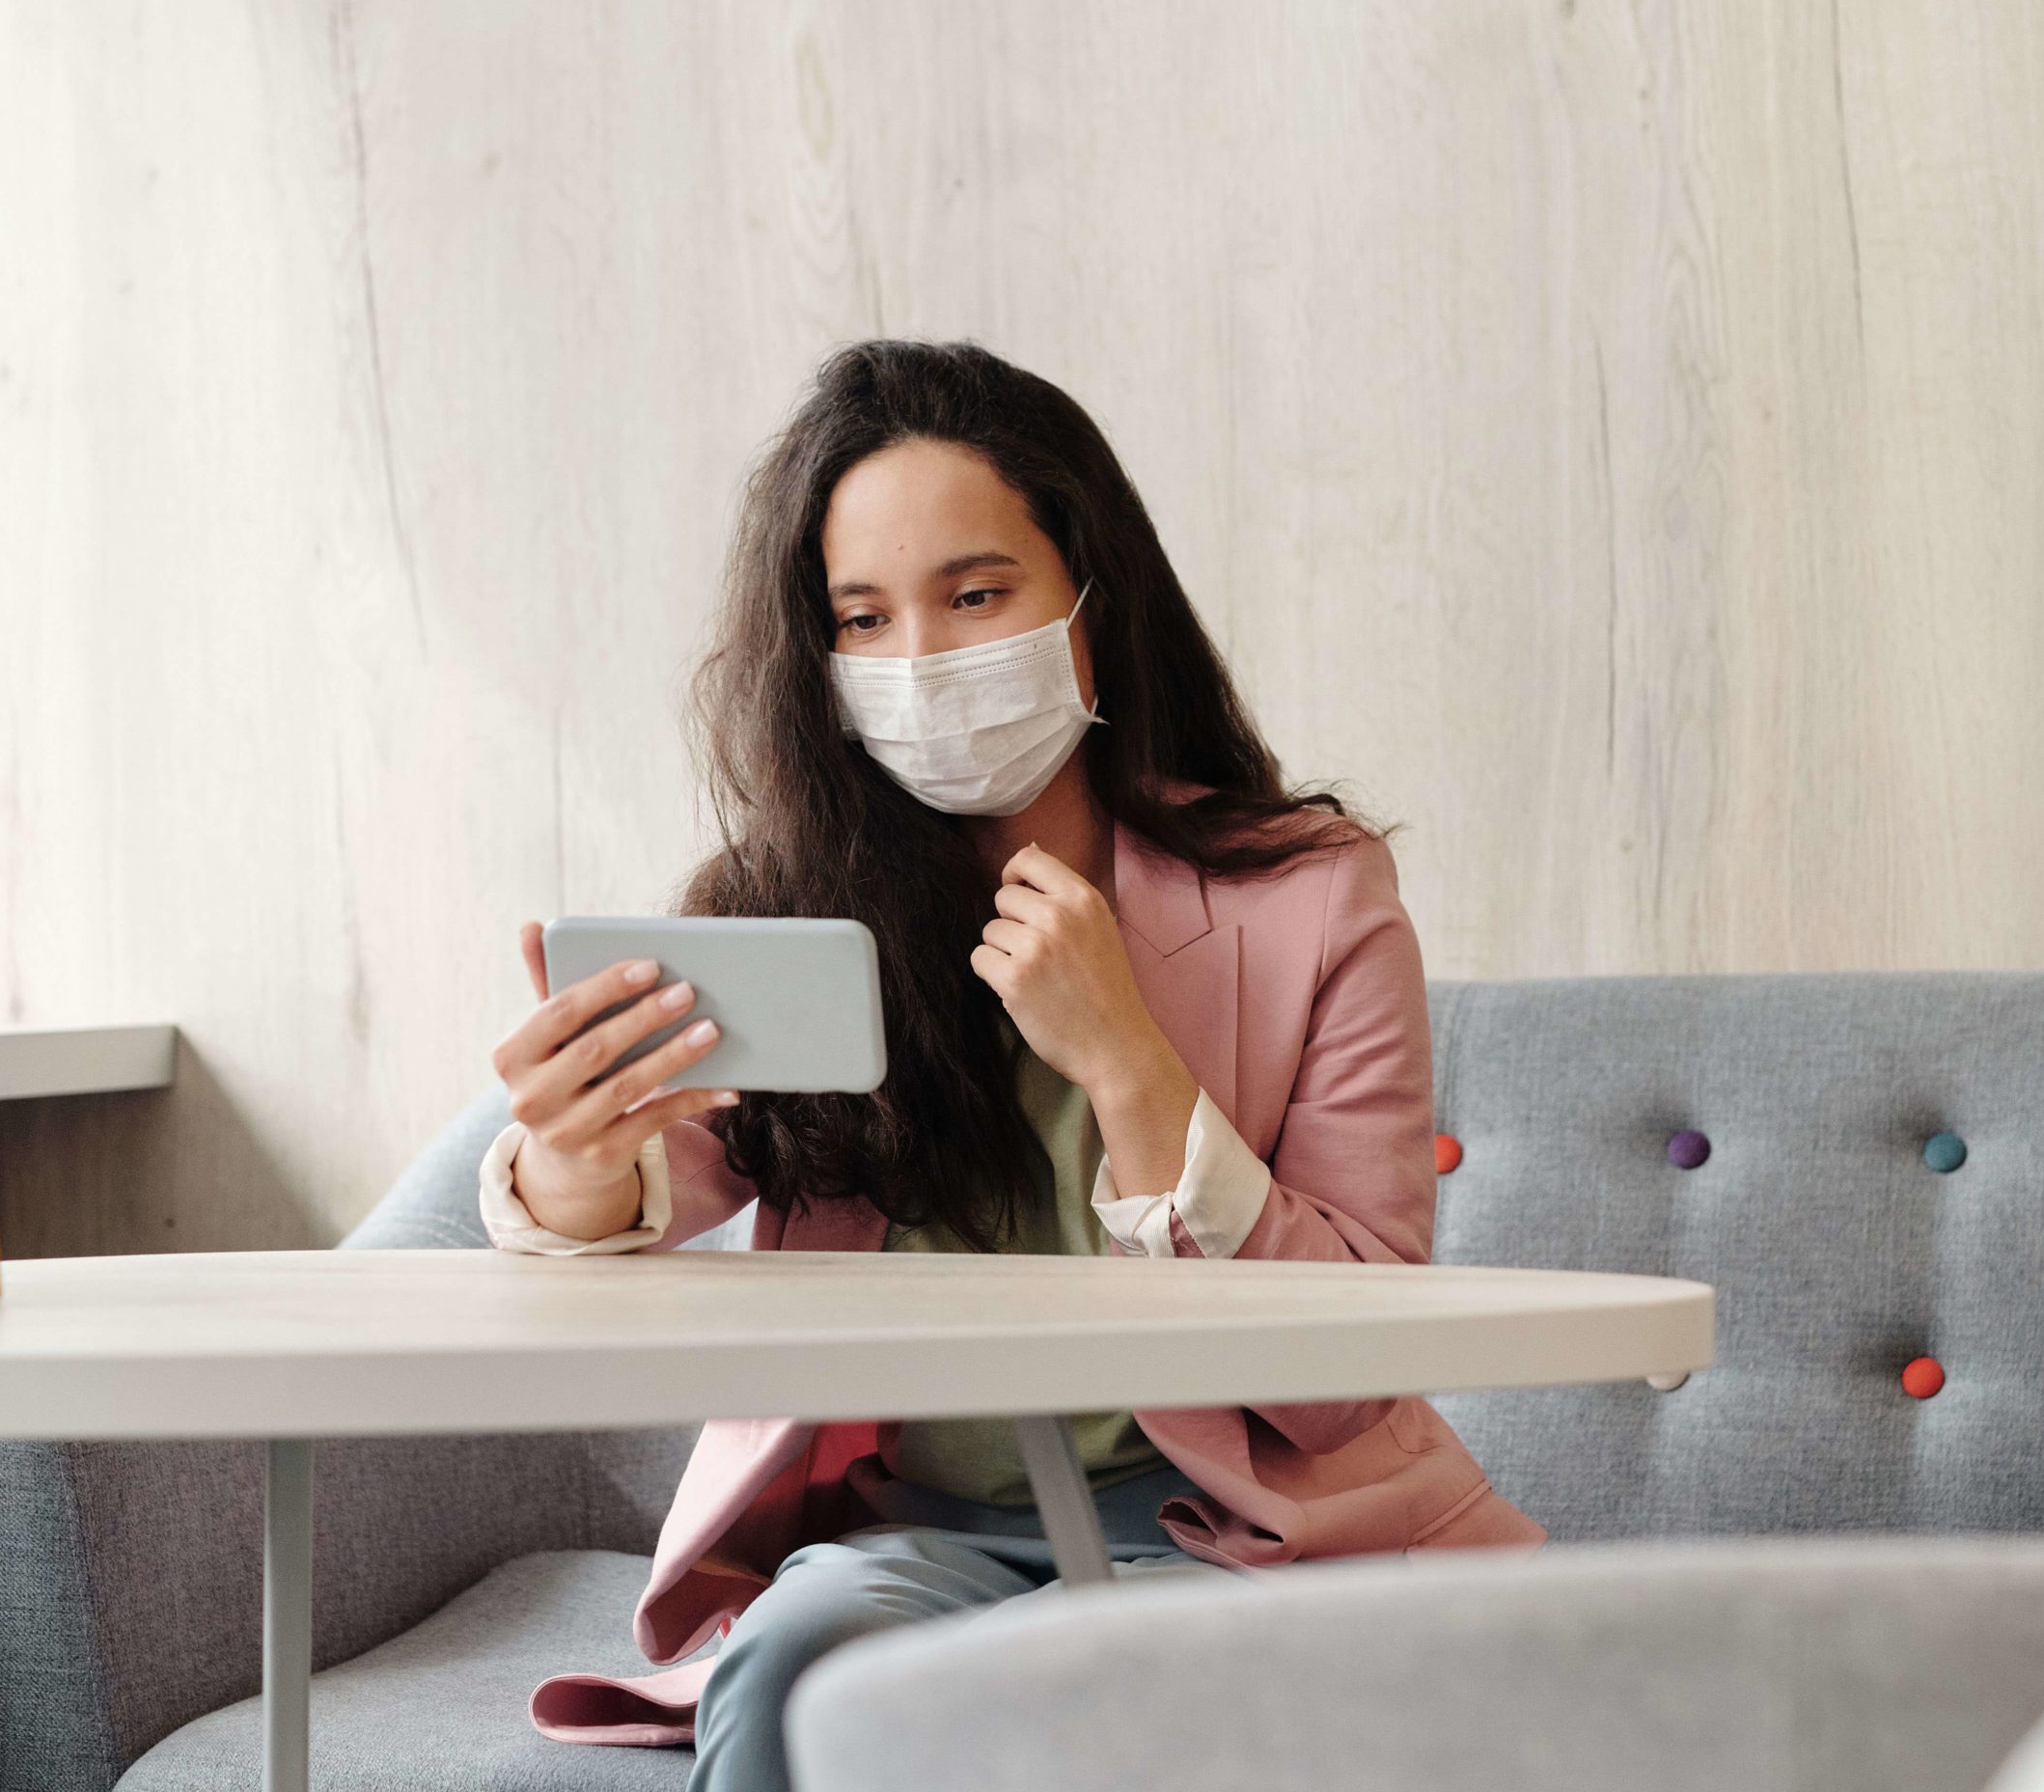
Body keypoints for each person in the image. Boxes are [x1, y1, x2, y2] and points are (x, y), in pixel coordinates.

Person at [480, 338, 1546, 1790]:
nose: (922, 661)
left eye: (976, 595)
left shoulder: (1314, 896)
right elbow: (655, 1185)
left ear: (1093, 604)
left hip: (1235, 1526)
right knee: (798, 1667)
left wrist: (1134, 1071)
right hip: (909, 1531)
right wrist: (572, 1157)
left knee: (1109, 1706)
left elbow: (1360, 1368)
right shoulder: (781, 911)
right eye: (864, 618)